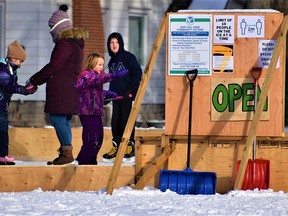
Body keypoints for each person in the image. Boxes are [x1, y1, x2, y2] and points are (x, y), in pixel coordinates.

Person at [25, 4, 89, 165]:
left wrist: (34, 80)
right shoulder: (74, 43)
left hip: (62, 89)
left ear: (59, 26)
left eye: (52, 26)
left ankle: (66, 152)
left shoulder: (64, 43)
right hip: (69, 88)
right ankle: (65, 152)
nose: (51, 30)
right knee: (63, 120)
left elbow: (53, 66)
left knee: (58, 119)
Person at [75, 53, 128, 165]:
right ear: (91, 64)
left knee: (98, 138)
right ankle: (84, 161)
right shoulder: (87, 75)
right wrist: (115, 75)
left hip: (96, 112)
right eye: (99, 64)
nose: (101, 67)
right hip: (87, 113)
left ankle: (89, 161)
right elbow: (99, 79)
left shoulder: (94, 77)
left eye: (102, 64)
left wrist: (106, 94)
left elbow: (93, 91)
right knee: (92, 139)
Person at [102, 32, 142, 163]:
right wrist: (108, 95)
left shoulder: (129, 57)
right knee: (115, 123)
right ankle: (117, 147)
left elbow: (137, 74)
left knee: (126, 121)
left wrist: (131, 91)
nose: (114, 45)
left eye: (116, 42)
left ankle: (129, 148)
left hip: (127, 96)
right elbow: (113, 80)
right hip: (116, 98)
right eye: (111, 43)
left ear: (121, 44)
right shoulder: (112, 61)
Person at [0, 40, 37, 165]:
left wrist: (26, 89)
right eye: (20, 61)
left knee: (3, 131)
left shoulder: (11, 69)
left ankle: (2, 155)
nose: (21, 64)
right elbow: (8, 87)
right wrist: (24, 90)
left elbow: (12, 85)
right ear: (14, 58)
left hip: (2, 105)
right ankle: (1, 155)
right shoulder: (3, 70)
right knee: (1, 130)